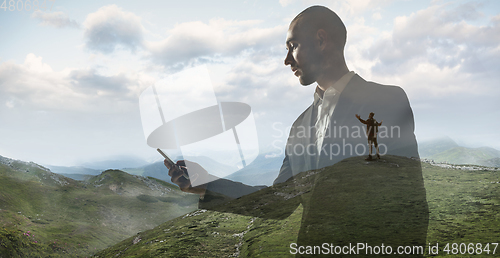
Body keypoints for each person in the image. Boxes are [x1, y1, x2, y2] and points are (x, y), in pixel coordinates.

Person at [166, 5, 428, 257]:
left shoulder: (386, 101)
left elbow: (411, 206)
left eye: (292, 46)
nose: (286, 59)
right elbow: (278, 202)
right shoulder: (299, 127)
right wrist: (205, 184)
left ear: (321, 40)